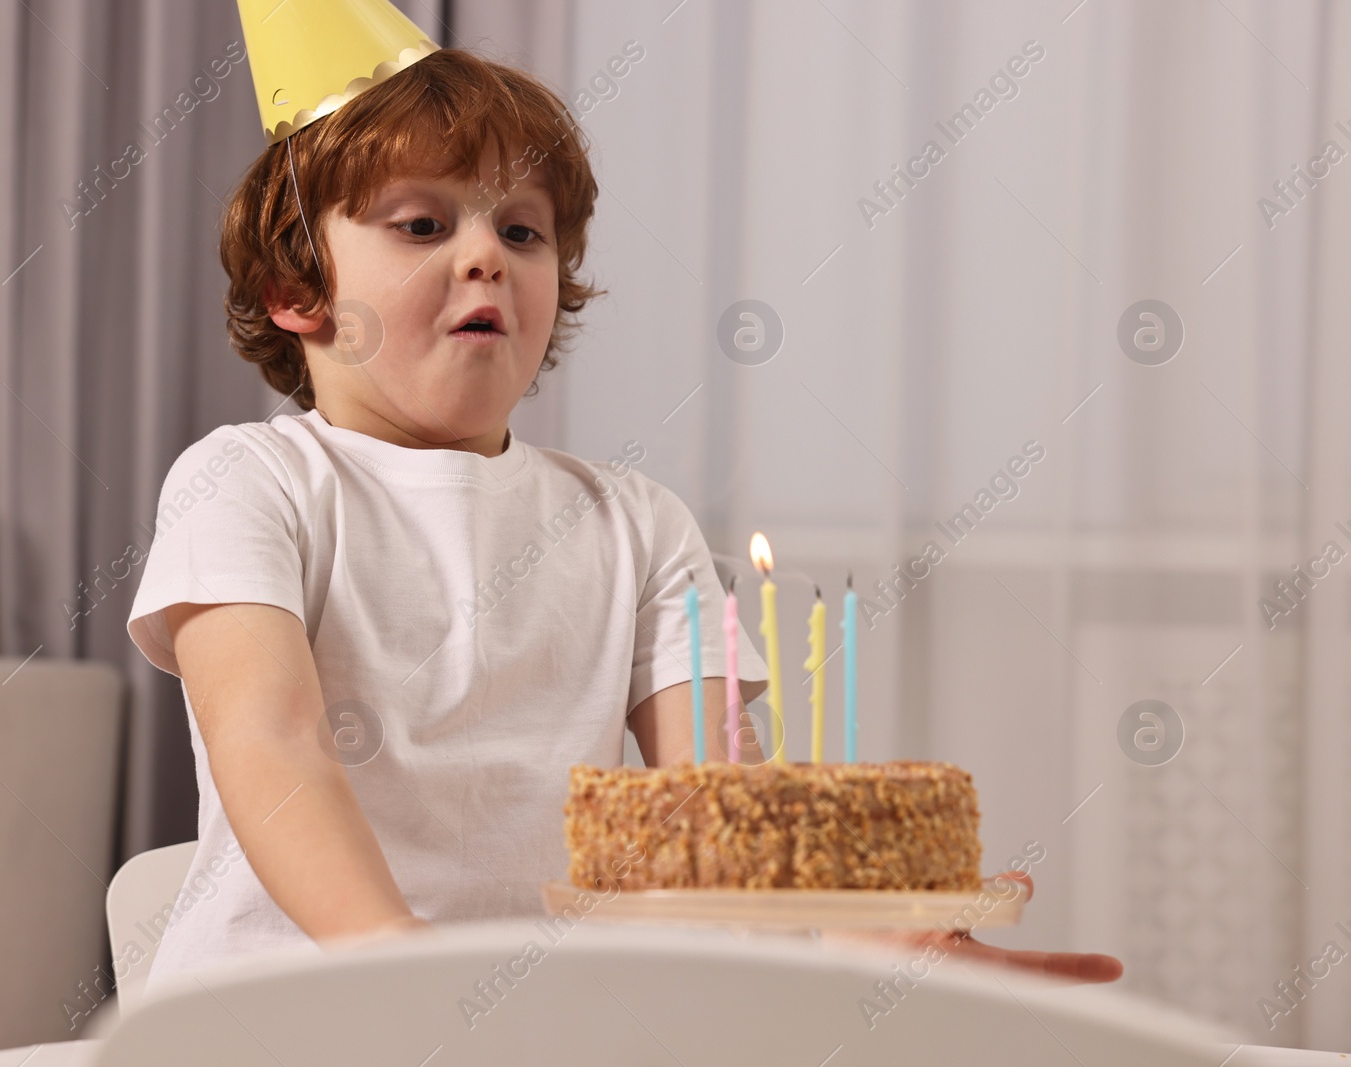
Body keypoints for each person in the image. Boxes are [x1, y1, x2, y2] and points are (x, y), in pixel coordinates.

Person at [126, 41, 1122, 993]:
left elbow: (716, 800)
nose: (486, 255)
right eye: (423, 224)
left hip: (540, 1018)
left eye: (521, 230)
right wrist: (400, 962)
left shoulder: (635, 521)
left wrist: (841, 935)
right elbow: (273, 738)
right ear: (296, 291)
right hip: (286, 1016)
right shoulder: (248, 480)